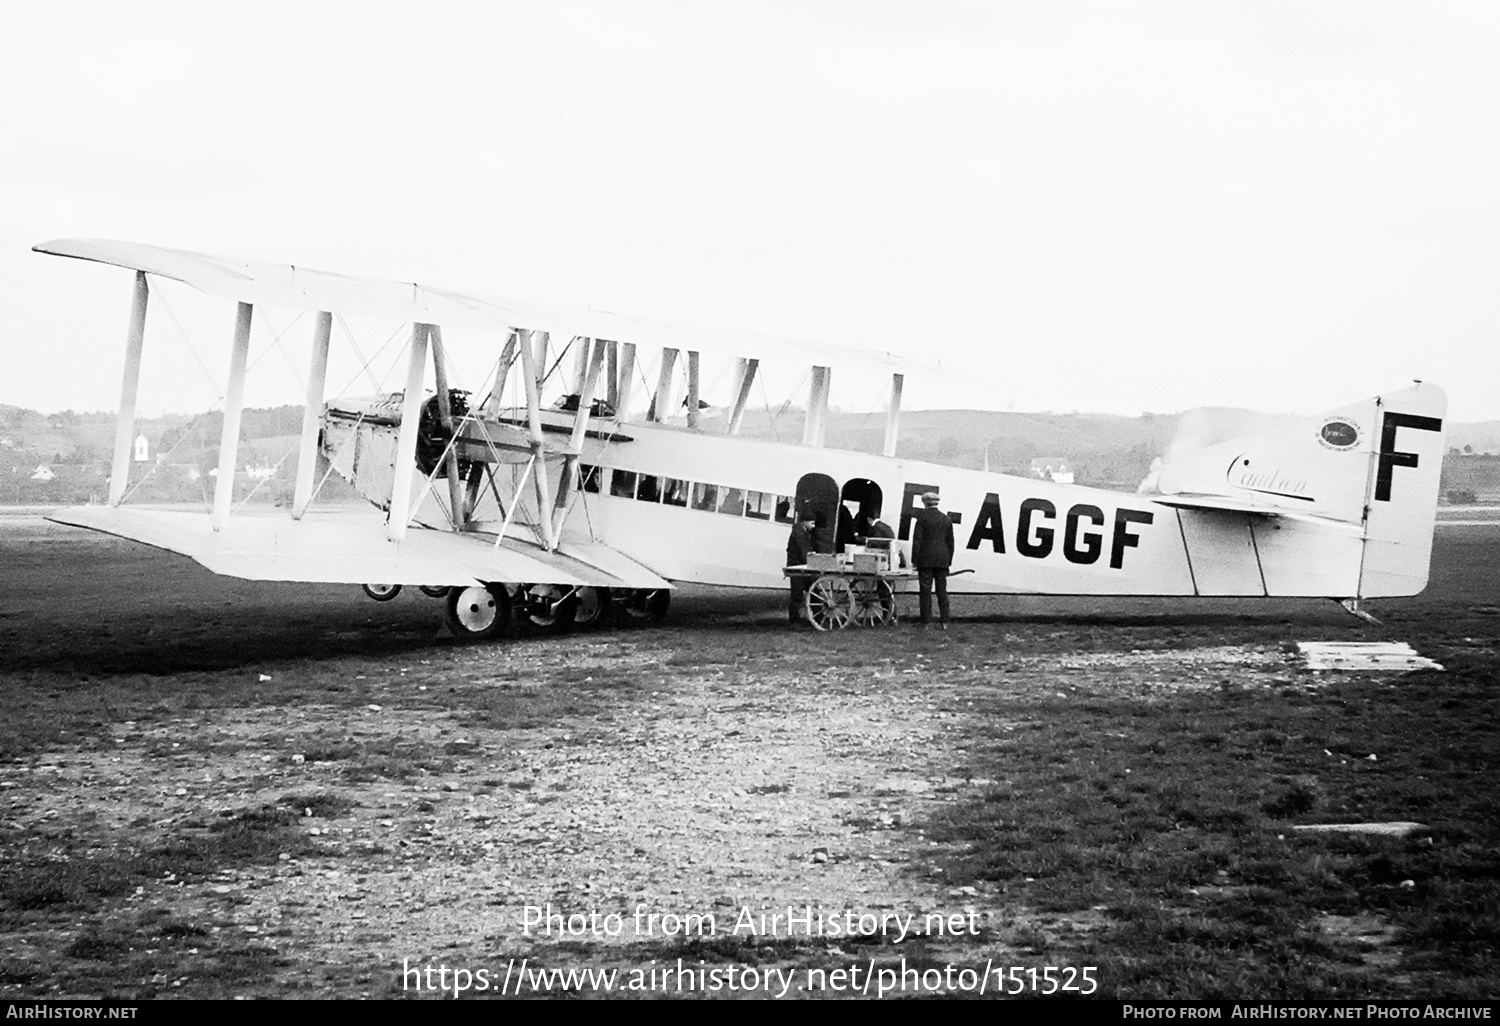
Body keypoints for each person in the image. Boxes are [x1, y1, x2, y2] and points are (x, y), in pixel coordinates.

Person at [909, 490, 954, 628]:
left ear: (924, 503)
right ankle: (944, 621)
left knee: (925, 592)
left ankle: (925, 621)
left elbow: (917, 541)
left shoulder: (921, 518)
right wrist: (948, 561)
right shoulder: (946, 519)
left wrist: (915, 560)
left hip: (925, 559)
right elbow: (950, 543)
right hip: (942, 560)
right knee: (942, 591)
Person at [785, 511, 816, 624]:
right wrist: (811, 559)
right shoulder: (799, 533)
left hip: (801, 566)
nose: (814, 526)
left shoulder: (801, 532)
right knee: (797, 594)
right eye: (812, 523)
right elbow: (802, 551)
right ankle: (794, 620)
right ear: (805, 522)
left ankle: (816, 616)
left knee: (812, 590)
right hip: (797, 567)